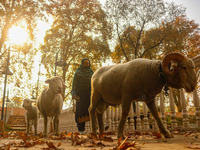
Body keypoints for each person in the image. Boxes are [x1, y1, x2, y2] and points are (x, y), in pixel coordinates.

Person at [71, 58, 94, 134]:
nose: (86, 65)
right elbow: (74, 84)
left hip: (90, 94)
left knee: (92, 110)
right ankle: (81, 129)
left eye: (87, 63)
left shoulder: (92, 73)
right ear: (81, 64)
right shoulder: (77, 73)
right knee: (81, 111)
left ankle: (95, 127)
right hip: (80, 95)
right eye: (85, 63)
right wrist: (74, 93)